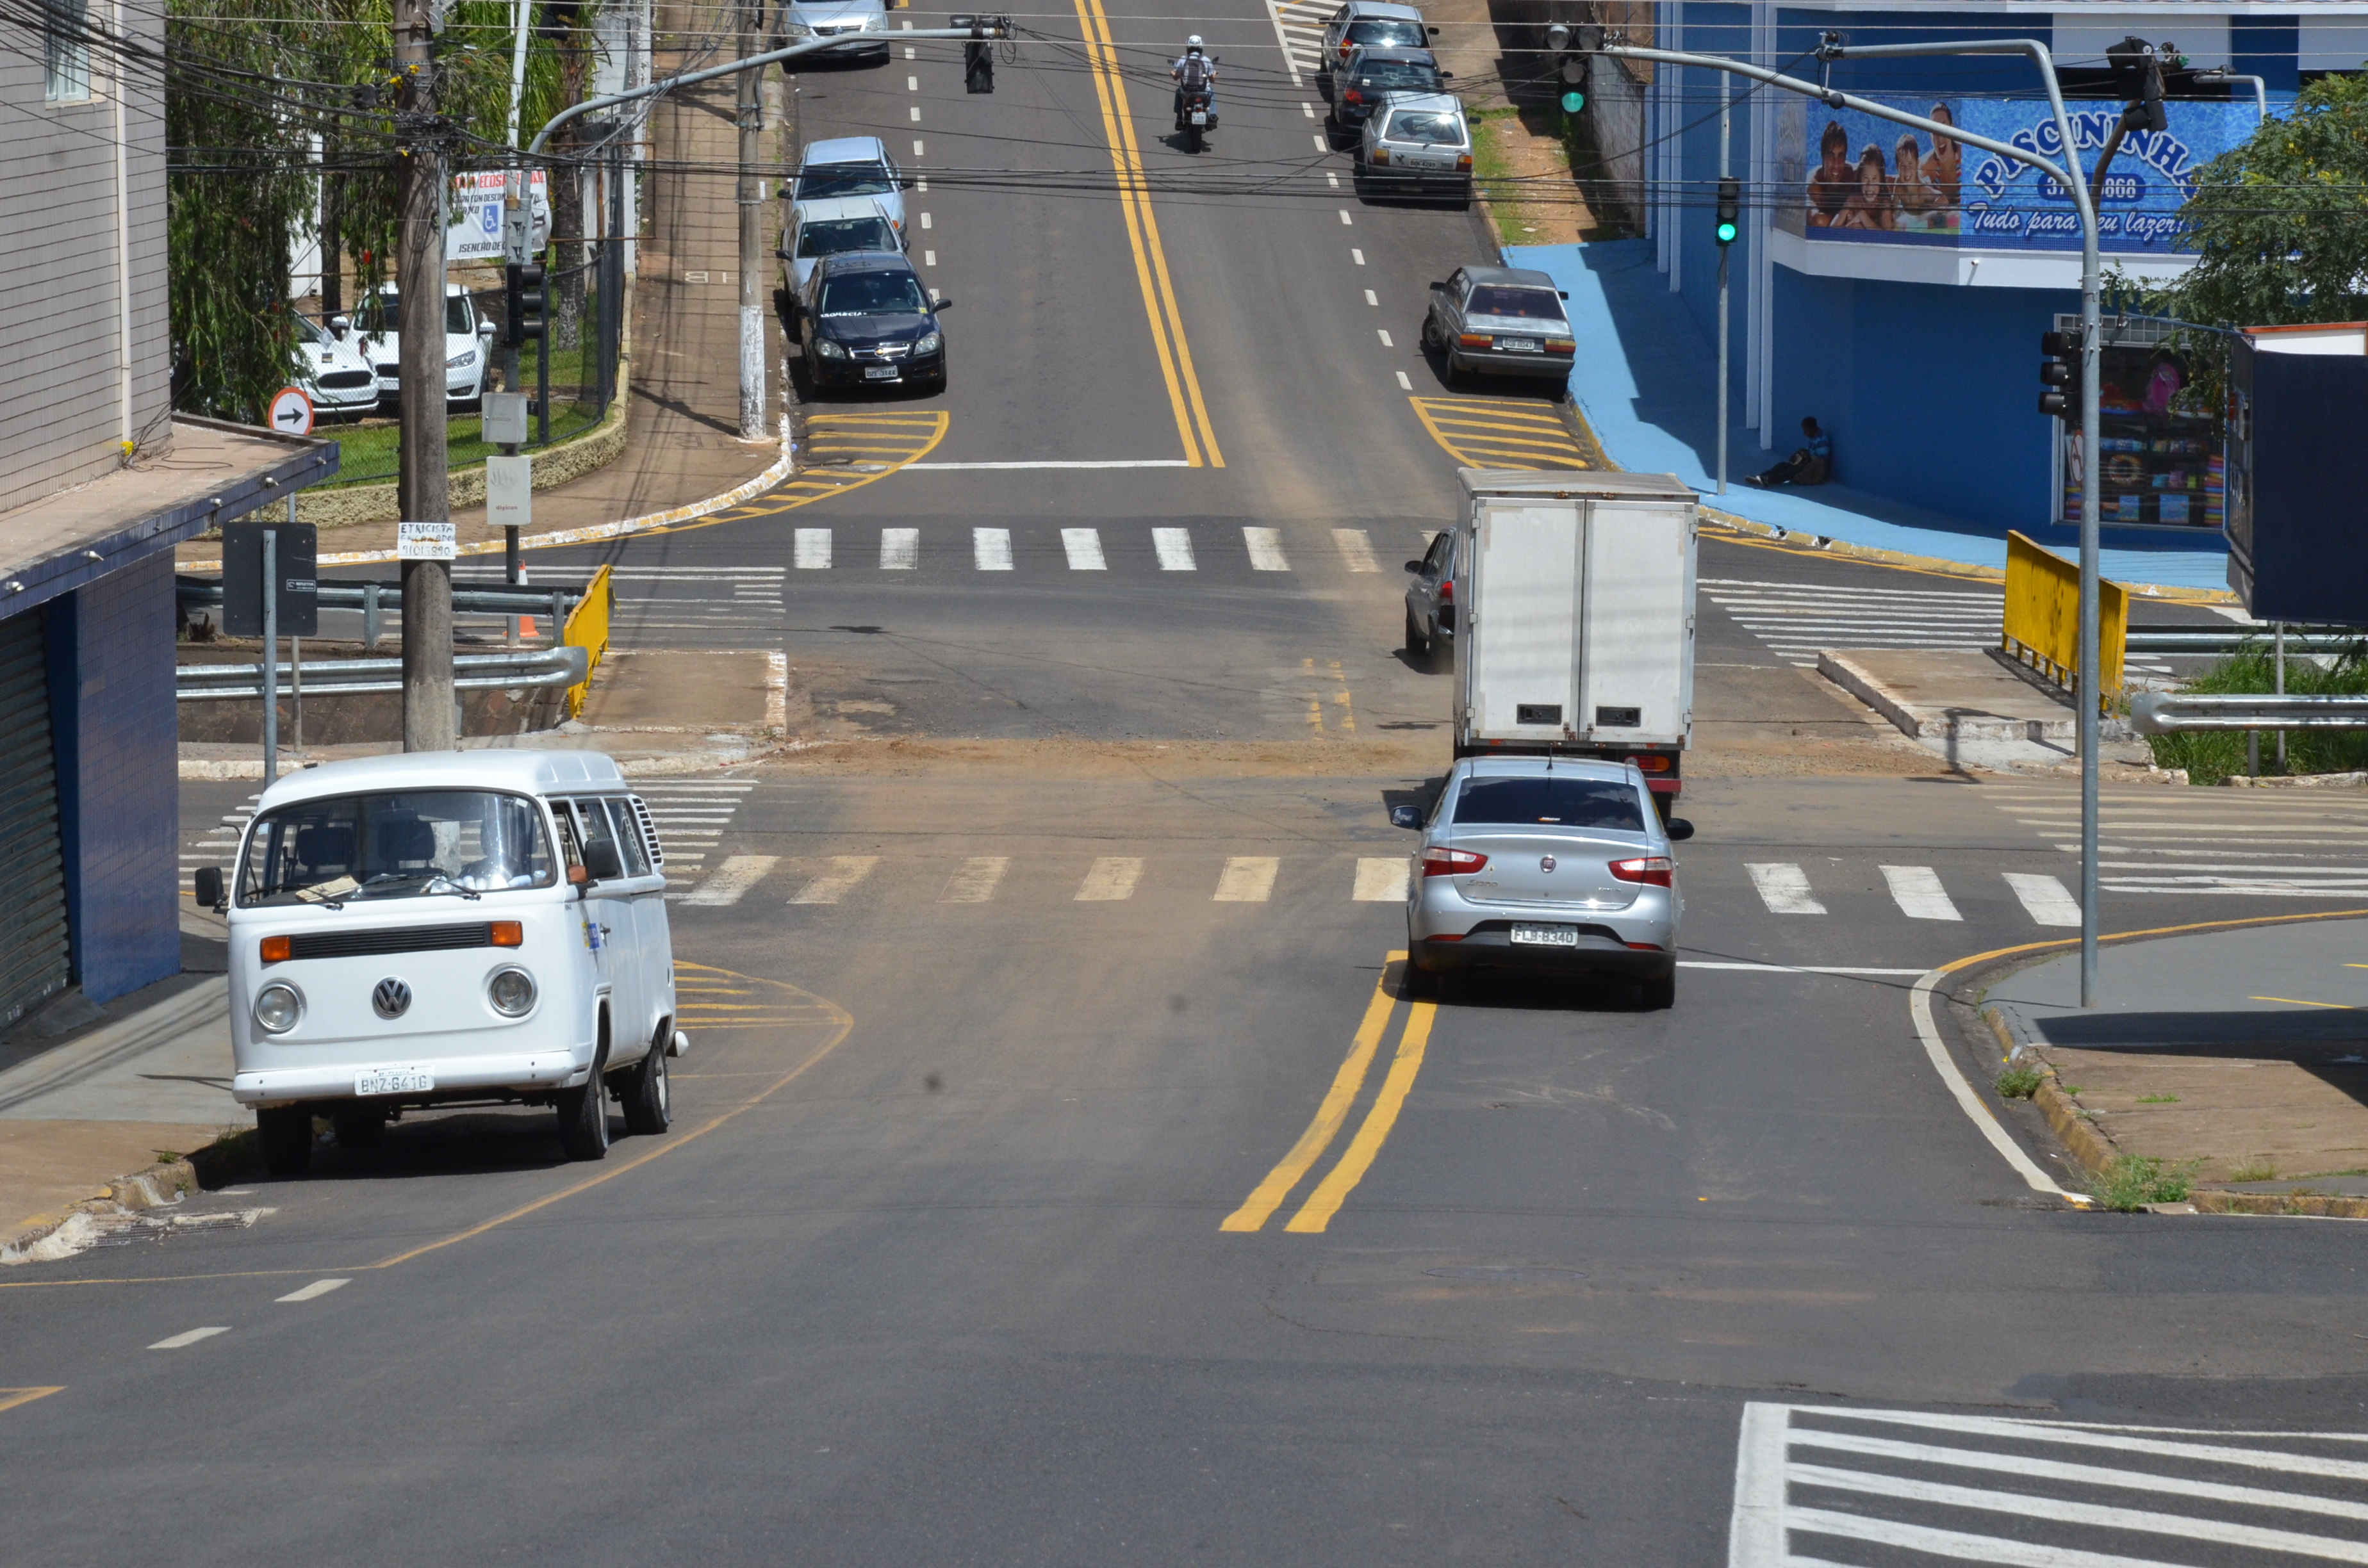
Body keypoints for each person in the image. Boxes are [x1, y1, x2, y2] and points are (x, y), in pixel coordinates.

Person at [1746, 417, 1832, 488]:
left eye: (1806, 430)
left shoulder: (1822, 441)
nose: (1805, 433)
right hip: (1806, 464)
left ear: (1813, 428)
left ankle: (1767, 480)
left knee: (1789, 472)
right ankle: (1761, 476)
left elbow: (1822, 461)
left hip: (1812, 468)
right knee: (1782, 465)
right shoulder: (1813, 439)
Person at [1807, 120, 1854, 227]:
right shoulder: (1815, 185)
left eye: (1840, 156)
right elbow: (1817, 221)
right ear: (1823, 158)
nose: (1836, 165)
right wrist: (1846, 211)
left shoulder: (1852, 176)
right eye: (1831, 156)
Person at [1172, 36, 1216, 129]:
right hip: (1203, 92)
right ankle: (1213, 116)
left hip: (1186, 93)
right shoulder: (1207, 60)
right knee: (1211, 92)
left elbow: (1176, 77)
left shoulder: (1183, 59)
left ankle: (1179, 118)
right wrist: (1214, 74)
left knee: (1178, 92)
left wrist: (1172, 73)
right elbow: (1212, 80)